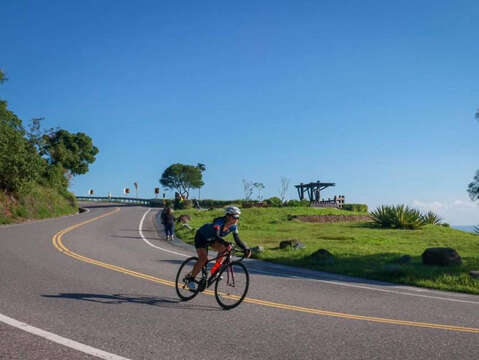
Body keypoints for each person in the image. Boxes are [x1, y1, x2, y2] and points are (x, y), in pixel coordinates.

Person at [186, 206, 251, 290]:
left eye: (238, 217)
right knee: (203, 258)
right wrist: (225, 242)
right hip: (201, 237)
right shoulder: (219, 222)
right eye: (235, 217)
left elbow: (237, 239)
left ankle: (215, 270)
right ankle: (191, 279)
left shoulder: (234, 226)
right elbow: (216, 235)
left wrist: (246, 248)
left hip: (212, 239)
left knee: (225, 249)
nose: (236, 219)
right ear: (228, 216)